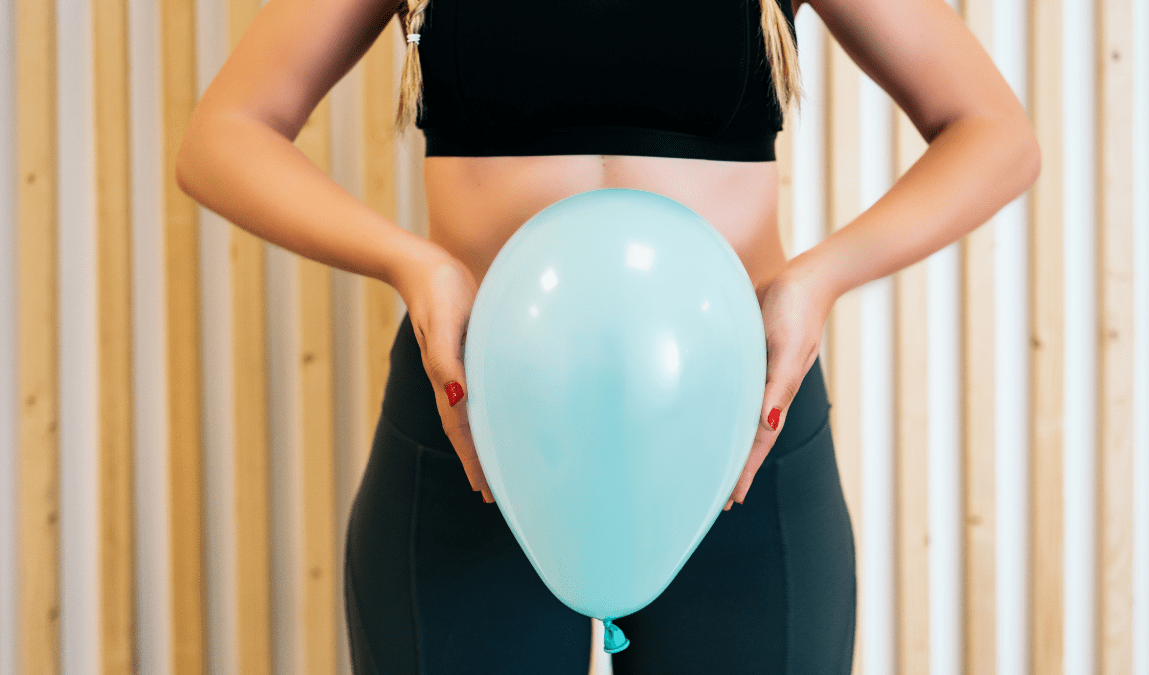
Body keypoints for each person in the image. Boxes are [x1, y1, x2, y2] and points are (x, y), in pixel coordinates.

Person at [174, 0, 1040, 671]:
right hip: (475, 428)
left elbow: (994, 132)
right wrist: (416, 265)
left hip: (737, 428)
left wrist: (817, 279)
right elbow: (223, 135)